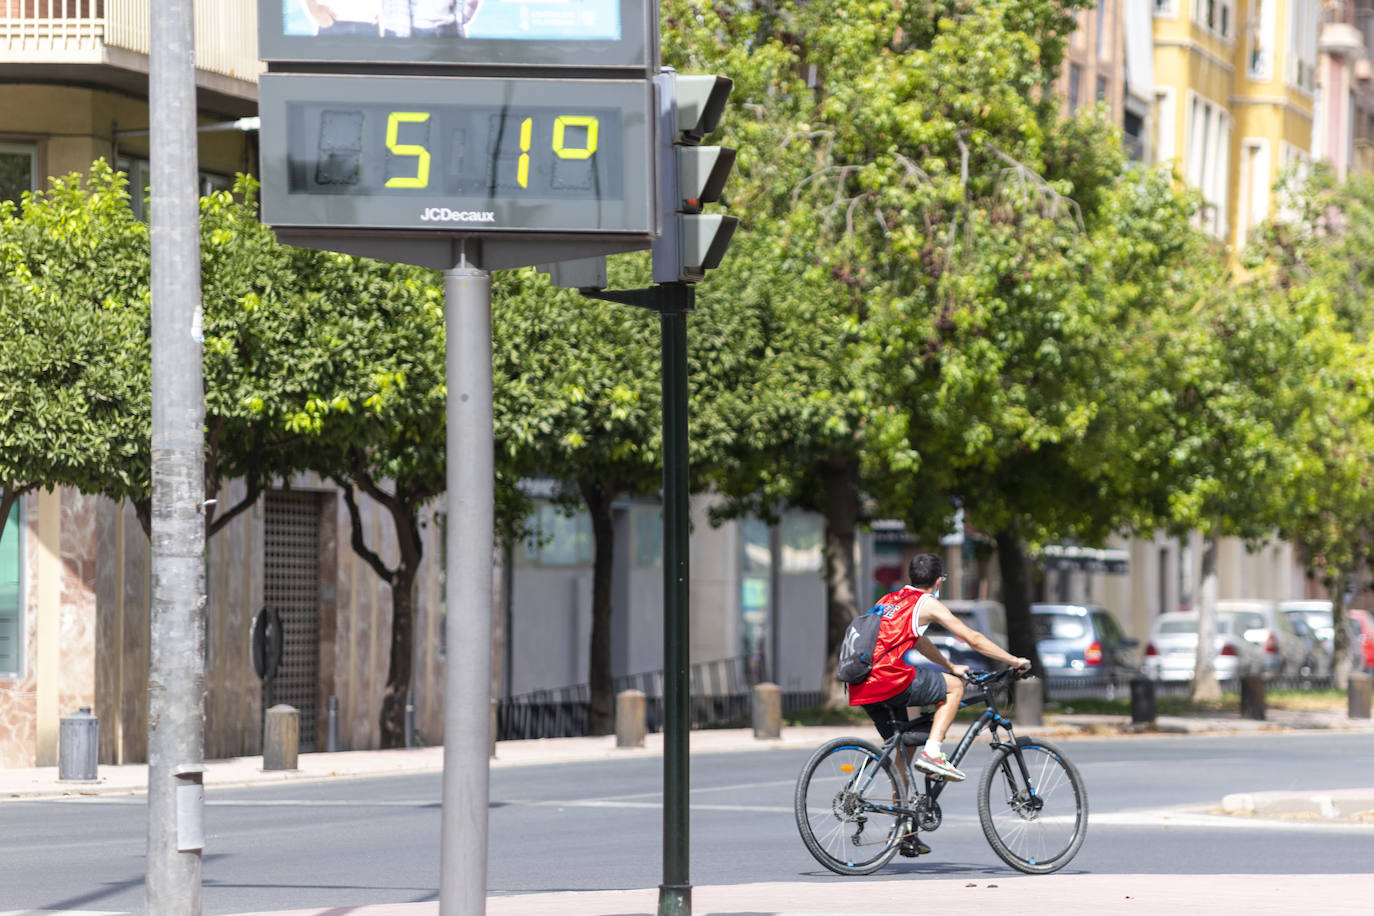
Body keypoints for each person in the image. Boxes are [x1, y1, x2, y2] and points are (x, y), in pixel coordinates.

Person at [849, 552, 1028, 800]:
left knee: (906, 745)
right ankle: (933, 753)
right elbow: (973, 638)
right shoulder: (926, 602)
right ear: (939, 580)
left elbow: (919, 641)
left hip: (862, 683)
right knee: (954, 687)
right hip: (887, 678)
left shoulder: (891, 599)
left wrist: (949, 665)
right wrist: (1014, 660)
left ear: (911, 576)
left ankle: (901, 828)